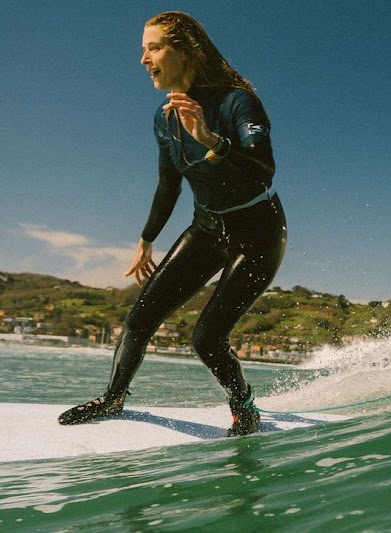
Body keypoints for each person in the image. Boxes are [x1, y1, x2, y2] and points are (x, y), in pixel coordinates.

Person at [58, 11, 286, 437]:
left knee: (206, 338)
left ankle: (245, 407)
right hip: (207, 227)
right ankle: (113, 398)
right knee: (139, 318)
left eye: (154, 47)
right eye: (143, 49)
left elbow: (263, 168)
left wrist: (212, 140)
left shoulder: (236, 101)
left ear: (186, 51)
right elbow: (169, 184)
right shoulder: (164, 118)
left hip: (258, 234)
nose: (144, 59)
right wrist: (147, 240)